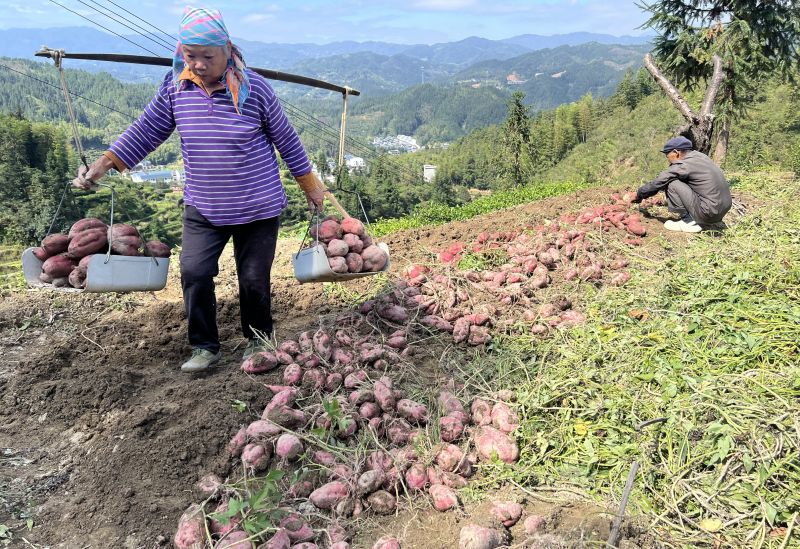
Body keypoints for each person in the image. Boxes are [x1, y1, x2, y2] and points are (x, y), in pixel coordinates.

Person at [73, 7, 327, 372]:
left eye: (208, 56)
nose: (200, 64)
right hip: (204, 207)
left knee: (254, 279)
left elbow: (287, 139)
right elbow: (146, 130)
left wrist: (310, 185)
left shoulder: (255, 90)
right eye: (191, 56)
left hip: (257, 205)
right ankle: (205, 347)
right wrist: (104, 164)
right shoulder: (176, 87)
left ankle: (258, 339)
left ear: (227, 48)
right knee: (193, 272)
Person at [631, 136, 732, 233]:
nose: (668, 159)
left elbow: (659, 182)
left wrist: (639, 195)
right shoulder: (700, 156)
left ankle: (688, 222)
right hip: (721, 211)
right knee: (676, 180)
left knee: (671, 182)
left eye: (667, 155)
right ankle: (697, 217)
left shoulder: (683, 165)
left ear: (676, 153)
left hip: (709, 213)